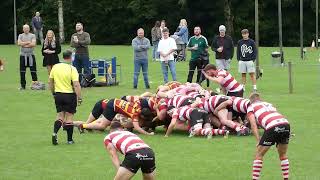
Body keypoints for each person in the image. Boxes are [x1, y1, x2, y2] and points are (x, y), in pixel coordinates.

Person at [246, 93, 290, 180]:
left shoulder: (251, 107)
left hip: (272, 125)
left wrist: (258, 140)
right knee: (283, 154)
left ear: (251, 101)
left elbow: (253, 125)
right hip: (285, 124)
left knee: (259, 154)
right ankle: (286, 178)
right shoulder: (269, 104)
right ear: (260, 99)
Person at [49, 50, 82, 145]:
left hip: (58, 94)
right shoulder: (72, 69)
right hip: (69, 95)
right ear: (71, 57)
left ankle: (54, 133)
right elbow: (76, 85)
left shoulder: (55, 67)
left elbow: (50, 82)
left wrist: (53, 93)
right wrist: (79, 97)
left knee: (60, 116)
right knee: (69, 117)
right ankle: (69, 140)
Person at [78, 98, 154, 135]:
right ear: (142, 116)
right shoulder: (135, 114)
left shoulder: (138, 106)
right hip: (112, 106)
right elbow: (137, 128)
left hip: (115, 103)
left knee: (102, 124)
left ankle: (86, 126)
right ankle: (83, 126)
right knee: (102, 126)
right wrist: (148, 134)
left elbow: (138, 99)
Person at [17, 24, 38, 90]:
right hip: (23, 56)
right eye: (24, 28)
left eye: (27, 28)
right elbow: (19, 43)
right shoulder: (20, 35)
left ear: (29, 29)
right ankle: (23, 86)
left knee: (33, 71)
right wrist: (28, 43)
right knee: (22, 72)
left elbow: (33, 44)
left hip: (31, 55)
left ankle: (35, 86)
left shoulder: (32, 35)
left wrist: (24, 44)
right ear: (23, 29)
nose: (26, 29)